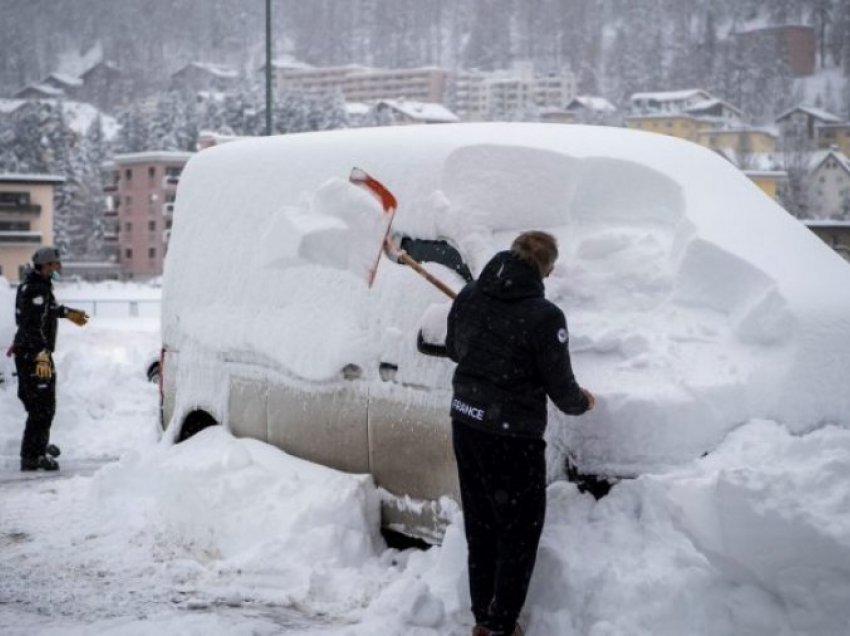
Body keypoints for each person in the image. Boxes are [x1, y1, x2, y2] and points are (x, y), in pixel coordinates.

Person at [445, 231, 595, 636]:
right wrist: (584, 401)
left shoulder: (469, 296)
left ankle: (482, 618)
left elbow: (456, 350)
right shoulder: (545, 317)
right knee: (519, 529)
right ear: (548, 268)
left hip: (466, 422)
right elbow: (562, 391)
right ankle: (500, 623)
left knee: (481, 524)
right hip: (511, 437)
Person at [11, 246, 89, 471]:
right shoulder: (36, 290)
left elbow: (48, 310)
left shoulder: (36, 286)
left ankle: (38, 446)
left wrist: (72, 315)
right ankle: (32, 456)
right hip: (37, 357)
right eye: (56, 264)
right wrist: (42, 357)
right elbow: (32, 326)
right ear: (46, 266)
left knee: (40, 405)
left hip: (31, 354)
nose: (60, 267)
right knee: (42, 407)